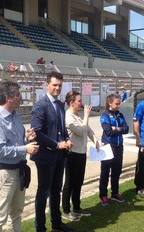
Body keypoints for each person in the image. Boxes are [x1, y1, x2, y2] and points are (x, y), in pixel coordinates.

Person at [0, 81, 39, 232]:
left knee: (16, 213)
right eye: (17, 95)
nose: (20, 98)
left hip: (18, 170)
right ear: (9, 98)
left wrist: (26, 139)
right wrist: (25, 148)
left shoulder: (15, 116)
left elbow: (14, 143)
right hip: (5, 173)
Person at [30, 71, 74, 232]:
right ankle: (40, 227)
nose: (57, 88)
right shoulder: (40, 105)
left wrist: (67, 139)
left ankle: (56, 223)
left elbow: (62, 129)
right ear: (47, 85)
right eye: (54, 85)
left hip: (59, 156)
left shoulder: (60, 105)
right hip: (46, 156)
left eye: (59, 85)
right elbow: (37, 132)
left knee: (56, 190)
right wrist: (57, 144)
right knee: (43, 192)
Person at [62, 91, 100, 222]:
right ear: (72, 103)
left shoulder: (78, 115)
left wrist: (95, 140)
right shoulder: (68, 117)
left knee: (79, 182)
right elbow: (80, 131)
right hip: (72, 154)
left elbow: (88, 129)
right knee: (70, 183)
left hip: (81, 153)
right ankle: (66, 210)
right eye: (79, 101)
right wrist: (87, 116)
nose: (82, 104)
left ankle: (77, 207)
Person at [99, 94, 129, 206]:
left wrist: (116, 128)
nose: (118, 105)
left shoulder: (120, 115)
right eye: (116, 103)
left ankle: (115, 193)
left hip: (118, 146)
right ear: (110, 103)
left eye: (119, 103)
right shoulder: (105, 115)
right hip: (108, 146)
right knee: (105, 172)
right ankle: (103, 195)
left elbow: (126, 129)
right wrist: (118, 129)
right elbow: (108, 131)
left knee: (117, 171)